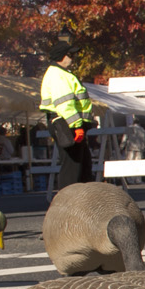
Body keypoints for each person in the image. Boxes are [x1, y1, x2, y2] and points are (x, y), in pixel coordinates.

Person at [39, 37, 96, 188]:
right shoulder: (58, 75)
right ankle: (69, 202)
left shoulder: (62, 73)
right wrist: (76, 125)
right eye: (70, 55)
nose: (73, 58)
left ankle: (83, 201)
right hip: (67, 124)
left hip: (69, 124)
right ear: (60, 57)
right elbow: (65, 104)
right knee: (72, 167)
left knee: (82, 165)